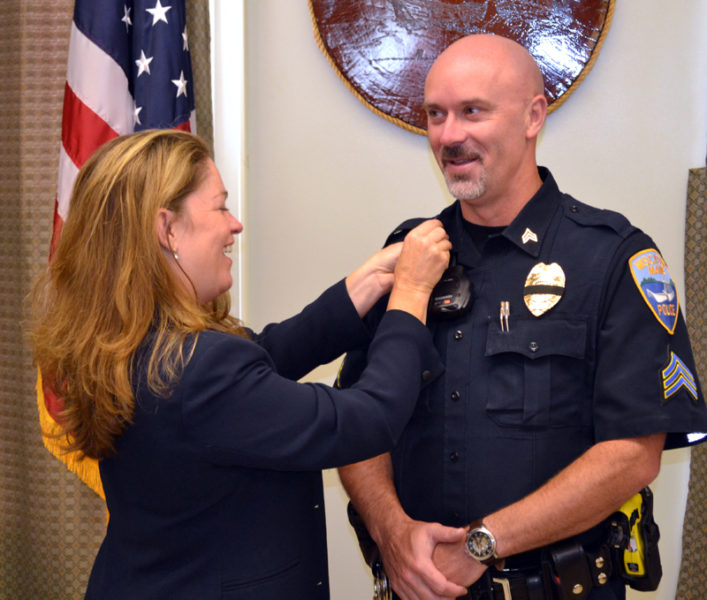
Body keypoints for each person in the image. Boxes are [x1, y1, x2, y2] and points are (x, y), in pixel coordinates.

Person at [337, 34, 707, 600]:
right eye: (436, 115)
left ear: (534, 116)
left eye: (472, 112)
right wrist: (391, 532)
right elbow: (355, 422)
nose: (449, 136)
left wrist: (482, 544)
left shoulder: (611, 258)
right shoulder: (408, 256)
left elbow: (633, 454)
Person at [29, 129, 453, 600]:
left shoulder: (126, 342)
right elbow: (367, 418)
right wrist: (411, 295)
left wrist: (364, 285)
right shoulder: (200, 369)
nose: (235, 225)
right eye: (219, 207)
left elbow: (262, 355)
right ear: (167, 228)